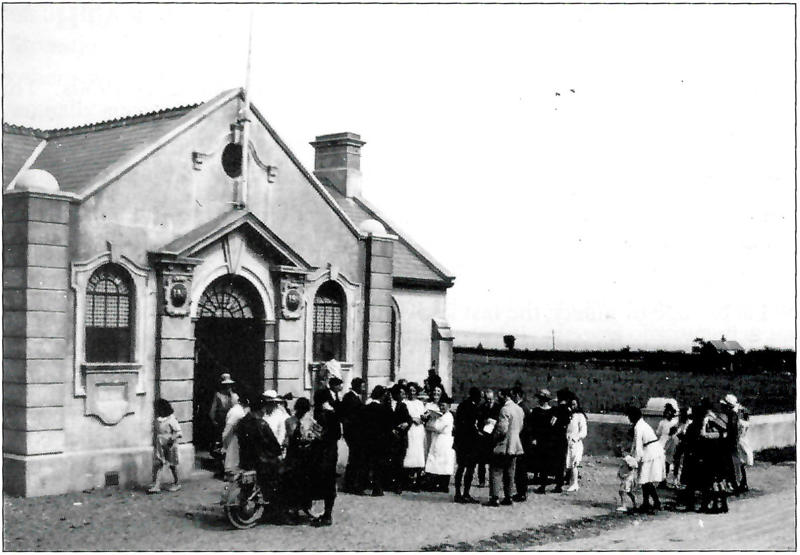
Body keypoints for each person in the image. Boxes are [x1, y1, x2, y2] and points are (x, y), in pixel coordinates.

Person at [237, 395, 283, 505]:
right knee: (283, 473)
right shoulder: (262, 424)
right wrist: (279, 453)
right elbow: (273, 443)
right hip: (263, 462)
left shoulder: (242, 422)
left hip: (246, 460)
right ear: (262, 408)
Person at [484, 388, 525, 507]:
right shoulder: (519, 409)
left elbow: (502, 429)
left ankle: (495, 498)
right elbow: (521, 426)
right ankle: (508, 496)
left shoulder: (504, 409)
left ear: (505, 396)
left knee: (496, 471)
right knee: (510, 472)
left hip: (503, 445)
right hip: (515, 444)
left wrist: (494, 437)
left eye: (499, 396)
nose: (498, 399)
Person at [309, 385, 342, 526]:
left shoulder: (322, 413)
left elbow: (325, 433)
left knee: (325, 481)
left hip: (324, 452)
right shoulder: (329, 412)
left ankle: (326, 515)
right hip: (329, 451)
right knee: (328, 481)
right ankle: (327, 513)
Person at [284, 397, 320, 522]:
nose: (302, 412)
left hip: (306, 456)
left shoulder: (310, 421)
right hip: (294, 455)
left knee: (306, 483)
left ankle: (306, 507)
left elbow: (319, 433)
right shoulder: (290, 421)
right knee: (294, 483)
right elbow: (291, 436)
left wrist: (313, 435)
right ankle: (294, 509)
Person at [625, 406, 666, 514]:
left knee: (645, 479)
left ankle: (652, 503)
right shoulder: (641, 424)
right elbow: (635, 445)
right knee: (646, 479)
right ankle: (650, 503)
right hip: (651, 451)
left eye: (629, 416)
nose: (629, 419)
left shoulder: (639, 427)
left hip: (651, 452)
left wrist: (634, 461)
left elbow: (638, 446)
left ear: (634, 416)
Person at [535, 388, 572, 494]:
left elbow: (552, 424)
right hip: (562, 439)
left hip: (553, 439)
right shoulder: (568, 410)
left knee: (545, 462)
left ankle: (543, 486)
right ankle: (559, 485)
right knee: (560, 463)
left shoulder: (557, 410)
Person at [453, 387, 483, 503]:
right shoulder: (474, 408)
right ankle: (466, 493)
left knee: (460, 468)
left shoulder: (461, 405)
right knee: (470, 469)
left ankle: (457, 493)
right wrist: (478, 433)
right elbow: (472, 425)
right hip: (470, 443)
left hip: (460, 442)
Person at [362, 385, 393, 496]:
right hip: (381, 440)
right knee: (379, 465)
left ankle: (363, 485)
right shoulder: (383, 409)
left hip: (368, 440)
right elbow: (389, 425)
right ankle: (377, 488)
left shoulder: (366, 408)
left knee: (368, 463)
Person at [148, 399, 182, 493]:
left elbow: (179, 432)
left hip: (170, 445)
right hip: (161, 445)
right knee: (159, 464)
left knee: (172, 465)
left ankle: (177, 483)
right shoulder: (158, 420)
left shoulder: (171, 419)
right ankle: (157, 486)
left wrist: (172, 438)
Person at [424, 394, 456, 493]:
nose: (441, 407)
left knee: (444, 461)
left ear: (449, 406)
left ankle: (443, 485)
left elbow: (436, 427)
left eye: (444, 405)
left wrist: (430, 421)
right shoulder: (441, 416)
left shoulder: (448, 416)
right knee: (436, 460)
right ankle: (435, 483)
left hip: (444, 441)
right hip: (438, 439)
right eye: (440, 405)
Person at [340, 377, 366, 494]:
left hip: (355, 432)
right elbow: (350, 416)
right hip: (353, 433)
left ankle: (350, 483)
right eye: (362, 386)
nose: (364, 389)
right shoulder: (350, 398)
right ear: (357, 386)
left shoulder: (353, 397)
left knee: (354, 458)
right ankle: (352, 485)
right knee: (356, 459)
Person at [403, 382, 427, 491]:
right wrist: (412, 419)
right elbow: (403, 415)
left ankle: (417, 481)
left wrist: (424, 418)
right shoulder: (405, 403)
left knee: (418, 453)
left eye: (414, 391)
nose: (412, 393)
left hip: (419, 430)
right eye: (410, 391)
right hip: (410, 430)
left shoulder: (420, 403)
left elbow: (424, 415)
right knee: (410, 452)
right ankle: (408, 480)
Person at [388, 384, 412, 493]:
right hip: (390, 437)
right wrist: (390, 429)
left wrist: (406, 424)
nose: (403, 395)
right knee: (390, 461)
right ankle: (389, 483)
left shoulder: (403, 406)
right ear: (396, 394)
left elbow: (408, 419)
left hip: (400, 438)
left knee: (399, 462)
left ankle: (398, 485)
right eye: (401, 393)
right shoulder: (388, 404)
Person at [510, 386, 532, 501]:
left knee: (521, 469)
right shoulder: (524, 407)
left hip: (522, 442)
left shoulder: (522, 408)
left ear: (517, 395)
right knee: (520, 468)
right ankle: (521, 492)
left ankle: (522, 492)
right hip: (523, 441)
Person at [528, 388, 553, 485]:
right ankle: (536, 475)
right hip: (538, 438)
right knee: (537, 458)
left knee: (547, 459)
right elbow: (532, 426)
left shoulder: (552, 411)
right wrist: (533, 438)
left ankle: (544, 477)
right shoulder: (535, 411)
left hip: (548, 439)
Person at [209, 373, 239, 453]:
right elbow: (213, 409)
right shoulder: (218, 395)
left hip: (231, 420)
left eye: (229, 385)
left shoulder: (234, 395)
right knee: (220, 438)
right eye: (225, 385)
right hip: (221, 420)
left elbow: (236, 407)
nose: (228, 387)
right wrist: (213, 420)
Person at [221, 393, 249, 478]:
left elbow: (229, 427)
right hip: (235, 437)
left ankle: (231, 475)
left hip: (233, 437)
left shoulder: (235, 410)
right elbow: (230, 426)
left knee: (232, 458)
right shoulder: (238, 411)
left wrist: (223, 439)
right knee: (233, 458)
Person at [565, 396, 588, 492]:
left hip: (576, 443)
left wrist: (576, 438)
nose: (572, 406)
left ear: (578, 404)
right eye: (571, 404)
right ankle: (570, 482)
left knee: (575, 463)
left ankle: (575, 483)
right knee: (569, 463)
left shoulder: (580, 416)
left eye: (574, 404)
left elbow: (583, 432)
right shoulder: (569, 416)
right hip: (568, 443)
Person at [656, 403, 678, 480]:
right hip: (662, 441)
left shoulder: (675, 422)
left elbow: (677, 432)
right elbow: (658, 433)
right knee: (660, 458)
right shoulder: (662, 422)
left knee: (667, 460)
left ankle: (665, 476)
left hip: (671, 441)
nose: (668, 414)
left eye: (670, 412)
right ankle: (659, 476)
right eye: (667, 412)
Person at [736, 406, 753, 493]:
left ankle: (742, 483)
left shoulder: (740, 422)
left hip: (740, 441)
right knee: (742, 464)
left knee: (740, 463)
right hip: (744, 440)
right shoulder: (747, 422)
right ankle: (743, 482)